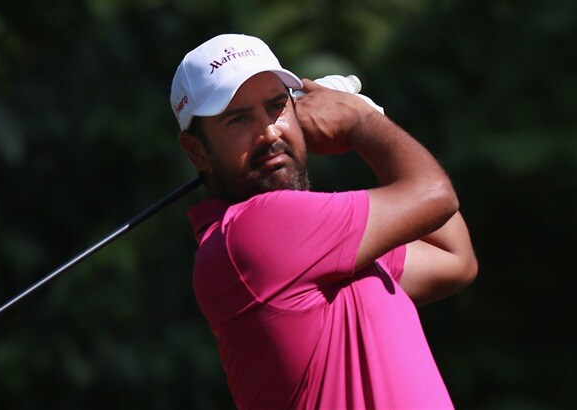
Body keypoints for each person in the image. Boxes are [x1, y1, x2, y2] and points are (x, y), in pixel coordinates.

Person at [170, 33, 477, 409]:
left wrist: (369, 118)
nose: (270, 132)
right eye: (238, 119)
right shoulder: (252, 231)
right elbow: (435, 195)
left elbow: (453, 257)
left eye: (277, 107)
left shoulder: (318, 244)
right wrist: (361, 120)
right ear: (197, 151)